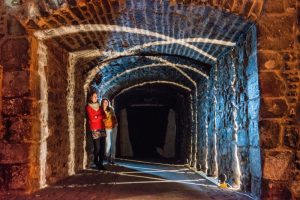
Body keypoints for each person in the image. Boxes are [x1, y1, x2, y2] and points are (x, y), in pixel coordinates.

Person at [86, 92, 107, 170]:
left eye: (96, 97)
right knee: (97, 147)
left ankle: (100, 163)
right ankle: (96, 160)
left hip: (102, 128)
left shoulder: (99, 106)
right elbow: (91, 119)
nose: (96, 98)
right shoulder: (88, 107)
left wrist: (96, 117)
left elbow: (104, 116)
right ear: (90, 97)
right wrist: (99, 116)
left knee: (102, 147)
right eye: (94, 96)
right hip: (95, 128)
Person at [101, 98, 118, 164]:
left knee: (113, 143)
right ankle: (107, 156)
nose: (106, 103)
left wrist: (116, 123)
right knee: (108, 143)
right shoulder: (100, 110)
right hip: (107, 128)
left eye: (107, 102)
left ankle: (113, 158)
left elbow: (114, 117)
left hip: (114, 127)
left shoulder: (111, 109)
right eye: (104, 102)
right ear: (102, 103)